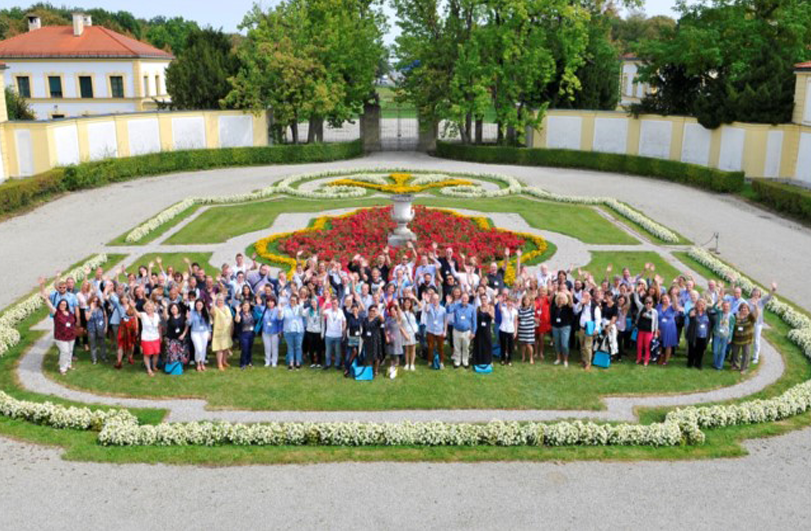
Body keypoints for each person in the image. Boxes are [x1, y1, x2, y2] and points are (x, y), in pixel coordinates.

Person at [41, 287, 77, 375]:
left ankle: (69, 364)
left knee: (70, 351)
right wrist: (46, 299)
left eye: (64, 305)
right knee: (64, 351)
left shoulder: (70, 313)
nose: (63, 306)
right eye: (61, 304)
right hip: (61, 337)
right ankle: (62, 368)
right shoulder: (56, 313)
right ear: (59, 305)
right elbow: (50, 306)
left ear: (67, 305)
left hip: (71, 336)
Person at [574, 291, 601, 371]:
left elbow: (598, 319)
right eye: (583, 296)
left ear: (590, 297)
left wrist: (596, 329)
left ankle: (588, 363)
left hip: (589, 329)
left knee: (587, 346)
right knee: (582, 346)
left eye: (586, 296)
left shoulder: (594, 306)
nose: (585, 298)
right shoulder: (582, 305)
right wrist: (580, 304)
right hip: (581, 328)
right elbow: (575, 311)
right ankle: (583, 360)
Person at [750, 283, 777, 364]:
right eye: (755, 293)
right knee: (747, 339)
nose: (756, 295)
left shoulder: (761, 302)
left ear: (759, 295)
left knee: (756, 340)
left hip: (758, 324)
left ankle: (755, 356)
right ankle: (746, 353)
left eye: (758, 293)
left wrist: (773, 290)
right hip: (749, 323)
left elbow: (769, 297)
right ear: (752, 293)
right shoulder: (748, 301)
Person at [448, 292, 476, 369]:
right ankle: (457, 361)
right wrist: (449, 303)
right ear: (461, 299)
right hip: (457, 330)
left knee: (466, 348)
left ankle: (465, 361)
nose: (464, 300)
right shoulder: (456, 306)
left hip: (467, 331)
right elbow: (448, 310)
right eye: (463, 298)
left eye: (465, 298)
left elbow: (474, 321)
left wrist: (473, 332)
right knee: (457, 347)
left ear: (468, 299)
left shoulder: (472, 308)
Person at [731, 302, 758, 373]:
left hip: (747, 339)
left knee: (746, 354)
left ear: (748, 309)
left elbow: (756, 316)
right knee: (735, 353)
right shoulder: (735, 316)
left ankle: (744, 368)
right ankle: (735, 365)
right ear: (740, 309)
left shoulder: (750, 317)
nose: (744, 309)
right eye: (742, 308)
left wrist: (756, 308)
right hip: (736, 339)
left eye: (745, 308)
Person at [137, 300, 162, 377]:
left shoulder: (157, 315)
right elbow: (136, 313)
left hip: (156, 337)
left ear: (153, 308)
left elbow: (159, 326)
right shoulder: (143, 315)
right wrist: (132, 306)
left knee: (156, 353)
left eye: (151, 306)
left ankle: (154, 366)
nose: (149, 308)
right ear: (145, 308)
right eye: (147, 306)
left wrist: (160, 336)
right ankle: (149, 369)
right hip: (146, 338)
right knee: (147, 354)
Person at [163, 302, 189, 374]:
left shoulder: (183, 316)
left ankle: (180, 367)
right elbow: (165, 316)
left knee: (181, 354)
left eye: (175, 308)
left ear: (178, 309)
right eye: (172, 309)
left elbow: (187, 325)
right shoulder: (169, 317)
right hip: (171, 339)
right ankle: (173, 368)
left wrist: (183, 334)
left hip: (181, 339)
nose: (173, 310)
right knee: (173, 354)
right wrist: (165, 307)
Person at [656, 295, 682, 366]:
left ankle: (666, 360)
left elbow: (676, 306)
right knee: (660, 344)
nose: (665, 300)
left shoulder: (672, 307)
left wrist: (674, 297)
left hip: (670, 329)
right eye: (663, 299)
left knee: (668, 345)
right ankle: (659, 358)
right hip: (660, 328)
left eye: (666, 299)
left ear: (669, 299)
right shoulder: (658, 306)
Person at [550, 291, 574, 367]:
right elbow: (552, 317)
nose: (561, 300)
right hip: (555, 327)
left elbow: (571, 304)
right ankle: (558, 358)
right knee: (557, 343)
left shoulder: (567, 307)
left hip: (565, 327)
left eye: (562, 299)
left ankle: (565, 360)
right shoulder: (555, 307)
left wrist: (569, 295)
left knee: (564, 344)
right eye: (559, 298)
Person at [634, 294, 658, 367]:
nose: (648, 304)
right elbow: (636, 300)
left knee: (647, 346)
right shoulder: (641, 308)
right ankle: (639, 358)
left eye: (650, 302)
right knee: (639, 345)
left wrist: (656, 332)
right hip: (641, 330)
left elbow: (656, 323)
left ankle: (646, 360)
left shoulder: (654, 312)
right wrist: (636, 291)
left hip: (649, 331)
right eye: (646, 302)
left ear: (652, 303)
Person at [686, 298, 711, 369]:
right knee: (692, 349)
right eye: (698, 304)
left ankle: (698, 363)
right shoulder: (693, 311)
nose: (700, 306)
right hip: (694, 334)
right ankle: (690, 363)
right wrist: (692, 314)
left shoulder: (707, 313)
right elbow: (690, 315)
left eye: (702, 304)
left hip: (703, 335)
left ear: (704, 305)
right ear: (696, 305)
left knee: (701, 350)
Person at [282, 295, 305, 370]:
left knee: (298, 347)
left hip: (298, 331)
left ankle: (298, 362)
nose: (292, 302)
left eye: (294, 300)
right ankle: (291, 362)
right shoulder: (285, 308)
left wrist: (301, 305)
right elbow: (280, 317)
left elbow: (302, 314)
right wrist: (279, 310)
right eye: (291, 300)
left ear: (297, 301)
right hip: (288, 331)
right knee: (290, 347)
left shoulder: (299, 307)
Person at [322, 295, 346, 370]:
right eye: (332, 303)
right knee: (328, 351)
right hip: (329, 335)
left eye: (335, 303)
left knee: (337, 352)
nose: (334, 304)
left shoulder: (341, 311)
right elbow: (321, 312)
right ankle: (327, 364)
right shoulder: (328, 310)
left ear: (338, 303)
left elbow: (344, 321)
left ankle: (337, 364)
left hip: (338, 335)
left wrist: (343, 329)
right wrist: (326, 302)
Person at [211, 295, 234, 371]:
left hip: (226, 331)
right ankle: (219, 364)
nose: (220, 302)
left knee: (225, 347)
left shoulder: (227, 308)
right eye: (219, 301)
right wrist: (213, 300)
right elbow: (212, 312)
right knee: (220, 348)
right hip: (219, 331)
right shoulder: (216, 308)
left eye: (221, 300)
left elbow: (230, 318)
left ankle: (224, 361)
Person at [424, 293, 447, 369]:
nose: (435, 300)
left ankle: (441, 362)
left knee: (441, 348)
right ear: (431, 300)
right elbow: (426, 310)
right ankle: (430, 361)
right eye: (433, 299)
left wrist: (445, 331)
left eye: (436, 299)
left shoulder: (443, 309)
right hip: (430, 330)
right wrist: (427, 302)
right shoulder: (429, 306)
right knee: (430, 347)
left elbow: (445, 321)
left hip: (440, 331)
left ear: (439, 300)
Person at [710, 300, 735, 370]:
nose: (725, 308)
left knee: (722, 351)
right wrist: (719, 301)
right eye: (724, 306)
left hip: (725, 335)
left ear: (729, 307)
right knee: (715, 351)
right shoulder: (719, 313)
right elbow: (714, 308)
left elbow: (731, 328)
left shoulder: (731, 316)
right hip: (717, 334)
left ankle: (719, 365)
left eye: (727, 306)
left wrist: (730, 337)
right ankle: (715, 363)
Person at [361, 305, 385, 375]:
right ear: (368, 311)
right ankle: (370, 369)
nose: (372, 312)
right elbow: (363, 329)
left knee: (376, 356)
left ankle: (376, 370)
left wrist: (378, 313)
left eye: (373, 311)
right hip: (367, 340)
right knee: (369, 356)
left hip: (376, 340)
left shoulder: (377, 319)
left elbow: (383, 320)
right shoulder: (365, 319)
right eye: (371, 310)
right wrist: (363, 337)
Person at [384, 304, 407, 378]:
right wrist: (386, 336)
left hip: (397, 338)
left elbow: (400, 315)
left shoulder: (398, 319)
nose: (392, 312)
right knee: (391, 354)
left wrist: (397, 306)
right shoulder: (388, 319)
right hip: (390, 338)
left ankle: (395, 369)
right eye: (391, 311)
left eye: (394, 310)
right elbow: (385, 328)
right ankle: (392, 367)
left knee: (396, 354)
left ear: (396, 311)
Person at [189, 299, 211, 372]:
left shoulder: (205, 312)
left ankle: (202, 363)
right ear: (195, 305)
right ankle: (197, 363)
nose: (199, 306)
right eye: (197, 304)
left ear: (203, 305)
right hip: (195, 332)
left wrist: (209, 332)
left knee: (203, 348)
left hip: (204, 332)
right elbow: (189, 323)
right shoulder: (192, 312)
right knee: (198, 348)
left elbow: (208, 323)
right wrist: (188, 318)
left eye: (200, 305)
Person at [234, 300, 257, 369]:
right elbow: (237, 320)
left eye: (247, 305)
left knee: (250, 349)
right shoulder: (240, 314)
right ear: (242, 306)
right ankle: (242, 363)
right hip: (243, 334)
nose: (245, 307)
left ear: (249, 307)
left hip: (251, 333)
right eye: (244, 305)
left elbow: (257, 318)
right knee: (245, 349)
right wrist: (237, 311)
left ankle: (249, 362)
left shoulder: (252, 313)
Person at [85, 295, 108, 364]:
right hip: (92, 329)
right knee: (93, 344)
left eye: (96, 301)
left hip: (101, 328)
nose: (95, 302)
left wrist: (106, 326)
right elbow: (87, 318)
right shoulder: (88, 309)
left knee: (102, 343)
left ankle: (104, 357)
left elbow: (105, 317)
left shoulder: (101, 307)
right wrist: (91, 310)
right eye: (93, 301)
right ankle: (94, 359)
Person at [473, 295, 494, 367]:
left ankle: (489, 360)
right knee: (479, 344)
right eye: (482, 299)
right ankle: (478, 360)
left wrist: (489, 312)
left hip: (487, 329)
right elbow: (475, 319)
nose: (483, 301)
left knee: (488, 344)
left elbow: (493, 317)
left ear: (487, 299)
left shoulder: (491, 307)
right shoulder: (478, 308)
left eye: (485, 299)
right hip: (479, 330)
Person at [498, 296, 518, 366]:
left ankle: (509, 360)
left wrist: (515, 331)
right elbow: (500, 308)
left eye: (511, 301)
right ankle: (503, 359)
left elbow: (515, 322)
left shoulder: (515, 311)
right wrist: (500, 301)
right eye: (508, 301)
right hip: (503, 329)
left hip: (511, 330)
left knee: (510, 346)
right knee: (503, 345)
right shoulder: (503, 309)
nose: (510, 303)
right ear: (506, 302)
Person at [400, 297, 419, 371]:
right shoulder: (401, 312)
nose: (407, 304)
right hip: (406, 332)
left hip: (413, 332)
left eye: (409, 302)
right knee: (407, 349)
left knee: (413, 348)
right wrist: (404, 334)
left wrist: (414, 298)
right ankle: (407, 363)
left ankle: (412, 364)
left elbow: (421, 306)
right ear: (403, 303)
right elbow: (400, 324)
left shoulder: (413, 311)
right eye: (406, 302)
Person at [517, 295, 536, 364]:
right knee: (523, 344)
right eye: (525, 300)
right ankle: (523, 357)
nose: (526, 301)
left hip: (529, 330)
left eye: (527, 300)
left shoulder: (532, 308)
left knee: (528, 344)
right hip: (522, 329)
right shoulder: (520, 309)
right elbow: (518, 318)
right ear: (523, 301)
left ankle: (531, 358)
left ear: (530, 301)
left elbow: (534, 299)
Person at [534, 289, 551, 361]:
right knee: (535, 337)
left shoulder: (547, 299)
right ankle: (536, 352)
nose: (542, 292)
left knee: (541, 338)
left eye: (544, 291)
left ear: (546, 292)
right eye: (541, 291)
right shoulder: (535, 299)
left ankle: (541, 352)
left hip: (544, 321)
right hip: (535, 320)